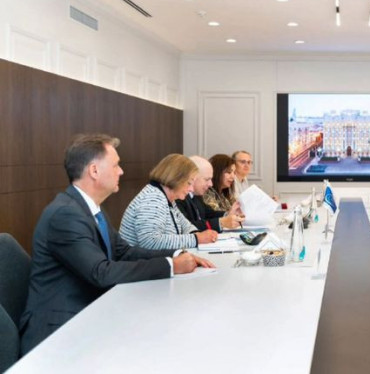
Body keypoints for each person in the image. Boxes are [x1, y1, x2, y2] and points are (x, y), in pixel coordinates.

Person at [20, 134, 214, 355]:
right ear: (94, 171)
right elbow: (101, 272)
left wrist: (178, 254)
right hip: (59, 331)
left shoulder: (91, 208)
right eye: (115, 165)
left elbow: (124, 252)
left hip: (90, 312)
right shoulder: (66, 214)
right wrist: (171, 266)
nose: (121, 171)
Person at [119, 154, 219, 250]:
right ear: (176, 179)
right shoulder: (153, 199)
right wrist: (196, 239)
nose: (191, 189)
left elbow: (185, 224)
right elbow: (151, 242)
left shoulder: (167, 198)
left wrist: (196, 233)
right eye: (189, 183)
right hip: (142, 261)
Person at [176, 155, 244, 231]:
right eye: (206, 179)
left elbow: (209, 214)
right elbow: (186, 227)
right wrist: (221, 223)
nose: (211, 184)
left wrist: (228, 214)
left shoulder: (196, 195)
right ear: (192, 177)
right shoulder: (178, 197)